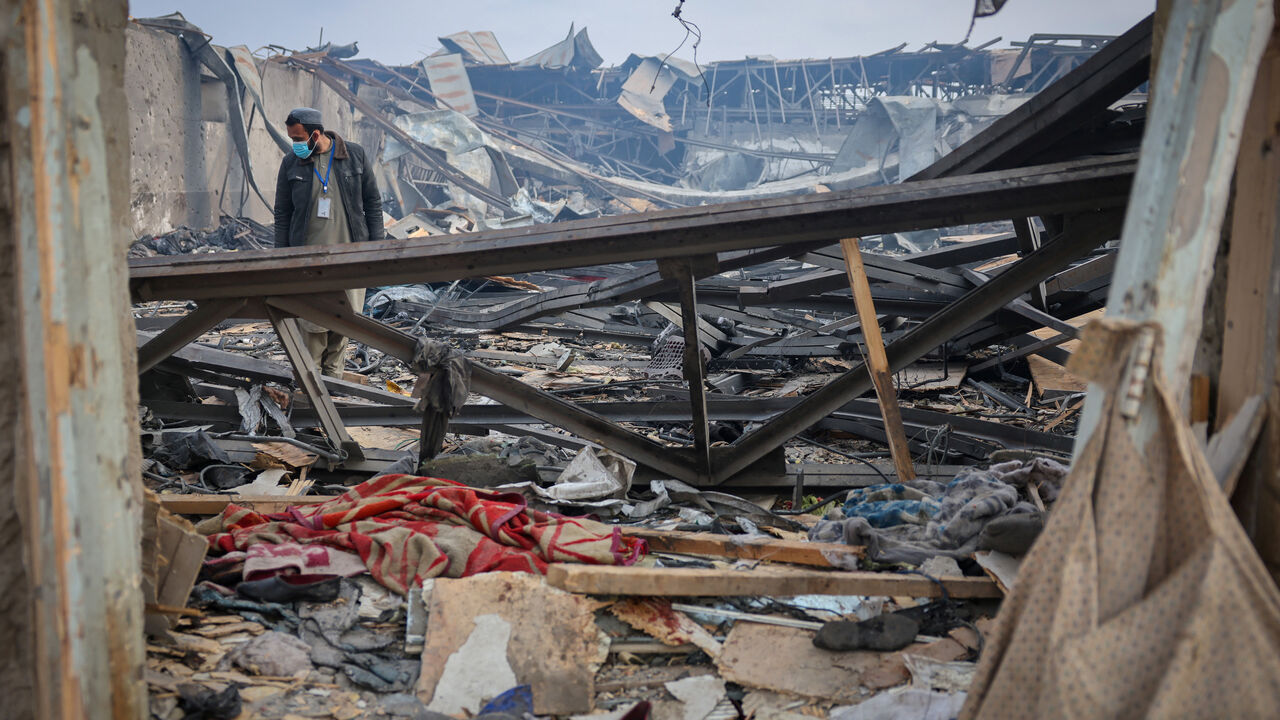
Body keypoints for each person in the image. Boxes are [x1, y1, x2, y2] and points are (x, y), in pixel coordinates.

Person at [273, 107, 384, 377]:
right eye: (292, 140)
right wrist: (281, 259)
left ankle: (333, 390)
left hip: (350, 260)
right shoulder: (291, 163)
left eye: (299, 139)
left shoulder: (354, 155)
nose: (296, 145)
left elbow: (373, 203)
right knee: (312, 327)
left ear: (316, 134)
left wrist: (377, 251)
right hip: (308, 263)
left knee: (343, 325)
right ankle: (312, 390)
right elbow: (283, 213)